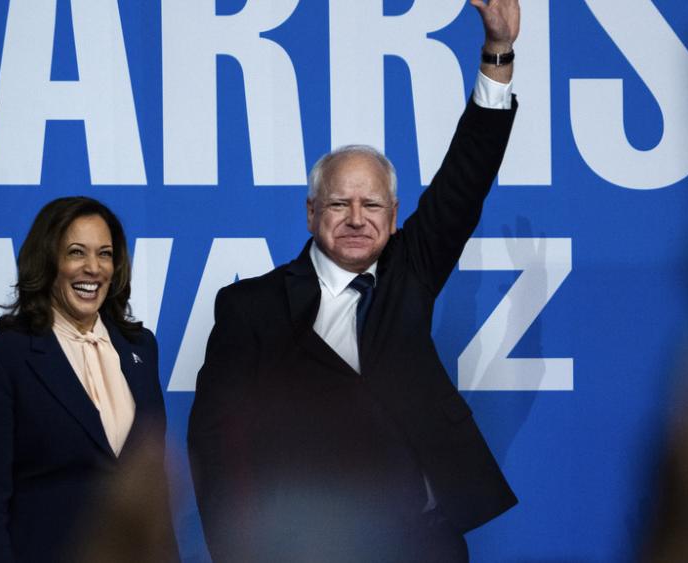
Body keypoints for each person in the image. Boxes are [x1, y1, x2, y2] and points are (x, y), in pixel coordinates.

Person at [188, 1, 520, 561]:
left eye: (372, 205)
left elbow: (468, 173)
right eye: (340, 203)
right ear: (312, 212)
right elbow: (215, 445)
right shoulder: (251, 307)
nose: (357, 218)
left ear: (393, 217)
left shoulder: (408, 274)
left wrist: (498, 55)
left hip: (422, 541)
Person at [0, 197, 179, 562]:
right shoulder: (3, 360)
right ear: (48, 262)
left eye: (105, 254)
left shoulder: (141, 348)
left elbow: (151, 485)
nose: (93, 268)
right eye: (76, 253)